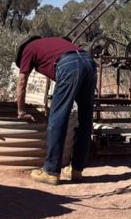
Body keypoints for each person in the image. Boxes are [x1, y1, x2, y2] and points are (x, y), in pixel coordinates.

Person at [15, 35, 96, 185]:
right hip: (89, 62)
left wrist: (21, 110)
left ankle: (50, 171)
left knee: (58, 116)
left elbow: (21, 81)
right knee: (85, 118)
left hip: (69, 65)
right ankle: (76, 170)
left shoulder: (28, 49)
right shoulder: (53, 42)